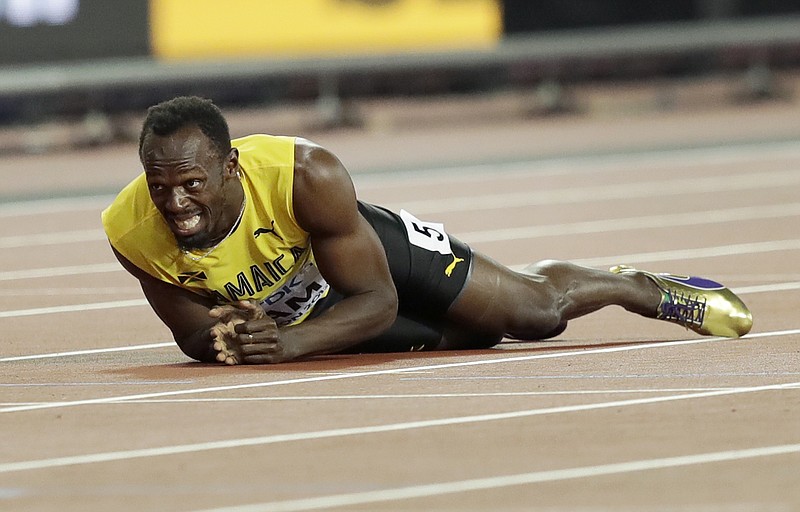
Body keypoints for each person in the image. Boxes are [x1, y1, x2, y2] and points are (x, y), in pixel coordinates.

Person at [101, 96, 753, 365]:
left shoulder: (307, 176)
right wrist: (233, 336)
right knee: (475, 337)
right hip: (305, 304)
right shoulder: (132, 233)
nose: (177, 204)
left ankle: (638, 287)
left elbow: (376, 300)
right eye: (160, 188)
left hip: (364, 264)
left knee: (534, 315)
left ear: (231, 168)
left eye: (192, 185)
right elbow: (189, 332)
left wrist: (291, 345)